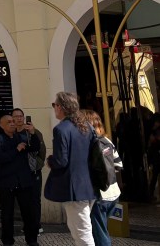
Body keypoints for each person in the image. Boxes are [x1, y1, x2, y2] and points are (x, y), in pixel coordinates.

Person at [45, 91, 96, 246]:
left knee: (81, 232)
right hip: (89, 185)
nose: (54, 108)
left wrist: (50, 160)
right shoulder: (87, 126)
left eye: (55, 105)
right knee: (79, 229)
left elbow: (61, 161)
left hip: (74, 189)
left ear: (61, 107)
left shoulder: (61, 129)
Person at [0, 114, 40, 246]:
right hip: (7, 182)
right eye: (9, 122)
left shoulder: (21, 137)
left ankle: (31, 239)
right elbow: (0, 158)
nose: (13, 123)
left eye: (13, 121)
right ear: (2, 125)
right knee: (7, 214)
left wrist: (33, 133)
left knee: (28, 213)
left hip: (24, 181)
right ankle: (7, 241)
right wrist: (16, 149)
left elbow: (35, 148)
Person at [83, 110, 121, 246]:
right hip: (114, 192)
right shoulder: (107, 140)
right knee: (102, 229)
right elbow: (118, 165)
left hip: (99, 195)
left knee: (100, 233)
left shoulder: (90, 144)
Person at [12, 108, 46, 231]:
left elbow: (41, 150)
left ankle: (36, 225)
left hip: (33, 170)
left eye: (21, 116)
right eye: (16, 116)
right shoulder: (12, 133)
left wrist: (38, 163)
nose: (19, 118)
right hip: (19, 172)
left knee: (34, 199)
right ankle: (27, 224)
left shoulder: (33, 132)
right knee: (22, 200)